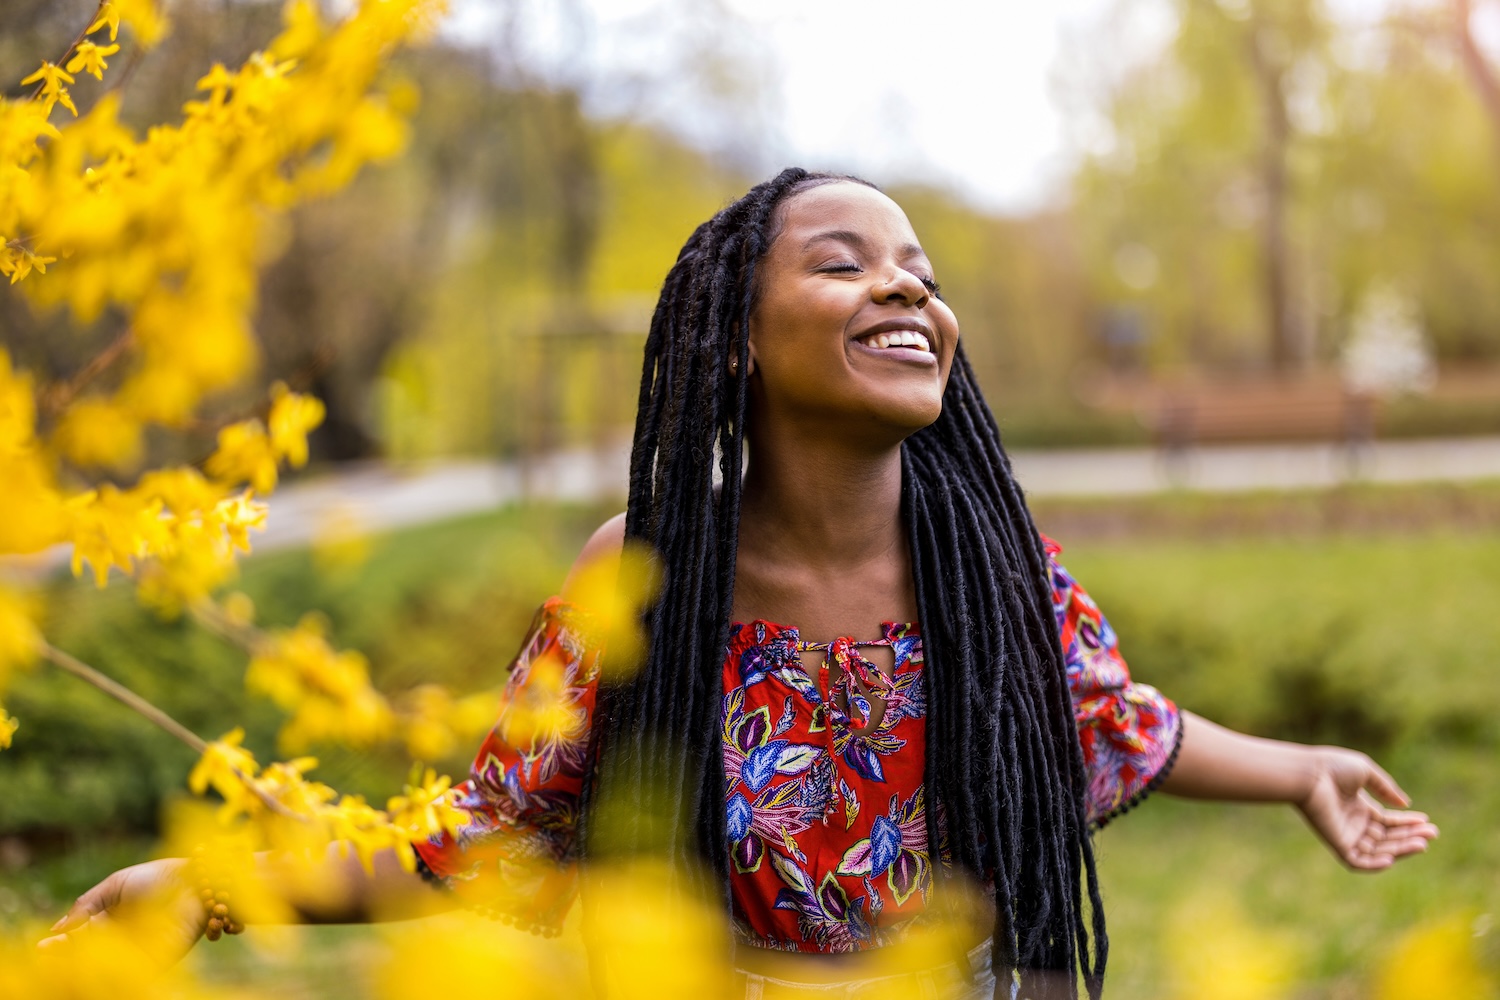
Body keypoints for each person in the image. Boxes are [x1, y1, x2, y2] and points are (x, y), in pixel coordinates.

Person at [41, 170, 1438, 998]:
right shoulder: (643, 578)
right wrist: (212, 886)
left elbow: (1110, 720)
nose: (906, 291)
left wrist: (1304, 766)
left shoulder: (989, 556)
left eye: (921, 272)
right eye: (844, 264)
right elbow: (485, 834)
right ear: (731, 345)